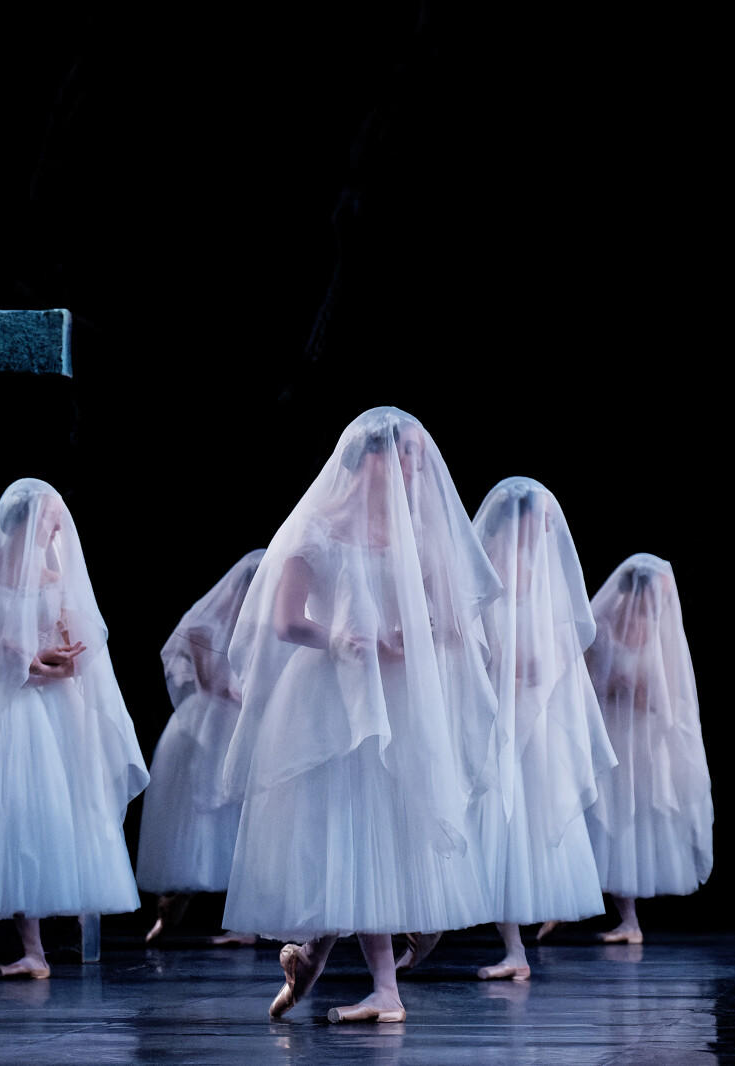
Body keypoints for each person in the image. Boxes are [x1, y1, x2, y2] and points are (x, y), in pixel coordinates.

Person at [219, 407, 499, 1024]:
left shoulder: (415, 535)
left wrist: (424, 636)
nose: (414, 470)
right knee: (347, 823)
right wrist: (349, 641)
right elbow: (287, 621)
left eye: (419, 460)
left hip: (393, 695)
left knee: (377, 823)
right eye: (406, 457)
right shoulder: (319, 528)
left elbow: (444, 616)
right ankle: (368, 980)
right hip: (328, 696)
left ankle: (332, 963)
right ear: (372, 457)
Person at [0, 480, 148, 978]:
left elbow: (76, 654)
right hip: (1, 712)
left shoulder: (54, 579)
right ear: (22, 521)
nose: (58, 527)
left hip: (46, 713)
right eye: (50, 518)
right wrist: (26, 657)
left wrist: (55, 663)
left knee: (34, 824)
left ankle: (34, 951)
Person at [469, 478, 615, 979]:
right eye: (543, 516)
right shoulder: (492, 556)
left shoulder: (537, 567)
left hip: (528, 713)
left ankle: (513, 951)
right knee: (482, 821)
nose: (550, 526)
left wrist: (531, 666)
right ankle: (428, 938)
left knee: (508, 825)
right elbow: (478, 629)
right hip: (492, 705)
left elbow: (554, 645)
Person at [138, 549, 265, 945]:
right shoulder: (202, 627)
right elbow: (215, 685)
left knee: (243, 818)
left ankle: (246, 921)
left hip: (242, 723)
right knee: (195, 817)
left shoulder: (262, 624)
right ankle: (170, 907)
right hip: (206, 725)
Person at [584, 554, 712, 943]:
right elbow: (583, 685)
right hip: (610, 736)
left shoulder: (662, 636)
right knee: (602, 817)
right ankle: (581, 907)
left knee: (630, 823)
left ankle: (630, 920)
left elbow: (672, 698)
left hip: (644, 742)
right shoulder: (603, 627)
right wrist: (614, 686)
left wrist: (641, 694)